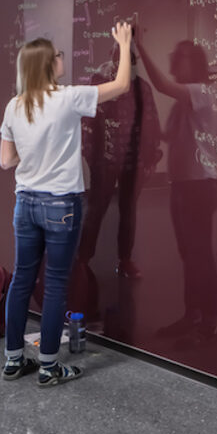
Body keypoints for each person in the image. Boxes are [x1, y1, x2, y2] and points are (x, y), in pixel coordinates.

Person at [0, 22, 134, 385]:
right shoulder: (68, 98)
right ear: (46, 65)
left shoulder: (14, 106)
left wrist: (34, 150)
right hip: (60, 204)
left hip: (24, 203)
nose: (62, 59)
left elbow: (5, 161)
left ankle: (13, 361)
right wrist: (123, 43)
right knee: (56, 283)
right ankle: (48, 366)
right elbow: (120, 86)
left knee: (22, 279)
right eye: (57, 56)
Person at [67, 44, 162, 321]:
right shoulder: (98, 83)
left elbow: (151, 119)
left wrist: (152, 155)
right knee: (96, 209)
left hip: (134, 161)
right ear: (112, 59)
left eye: (130, 60)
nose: (125, 63)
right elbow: (87, 121)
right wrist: (90, 155)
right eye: (121, 58)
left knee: (128, 210)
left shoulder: (142, 86)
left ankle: (125, 258)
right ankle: (83, 260)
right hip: (104, 159)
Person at [138, 38, 217, 341]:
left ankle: (209, 320)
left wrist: (139, 45)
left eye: (179, 57)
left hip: (199, 187)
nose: (173, 62)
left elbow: (161, 84)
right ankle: (193, 315)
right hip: (183, 186)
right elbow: (170, 137)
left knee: (199, 254)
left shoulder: (201, 92)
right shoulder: (182, 102)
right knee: (189, 254)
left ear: (195, 64)